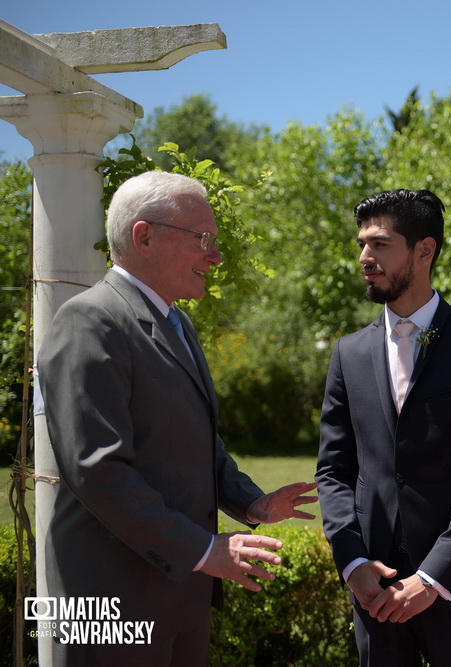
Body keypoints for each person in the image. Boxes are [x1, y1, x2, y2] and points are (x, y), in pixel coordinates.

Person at [36, 171, 318, 666]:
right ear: (144, 236)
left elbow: (195, 443)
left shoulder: (176, 322)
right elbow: (97, 471)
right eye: (202, 239)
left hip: (178, 595)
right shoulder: (89, 320)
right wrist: (206, 551)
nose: (215, 255)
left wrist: (252, 503)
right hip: (113, 604)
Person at [314, 188, 451, 666]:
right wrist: (353, 563)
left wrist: (432, 579)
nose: (365, 257)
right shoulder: (349, 353)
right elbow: (334, 471)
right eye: (362, 244)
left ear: (424, 250)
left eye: (381, 244)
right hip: (374, 588)